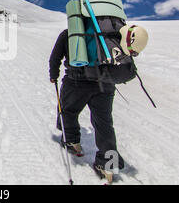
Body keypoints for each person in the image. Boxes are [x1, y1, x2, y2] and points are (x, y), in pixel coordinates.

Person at [49, 29, 125, 175]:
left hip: (76, 81)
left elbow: (55, 57)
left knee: (68, 111)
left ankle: (72, 142)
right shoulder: (108, 32)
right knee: (104, 123)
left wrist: (54, 74)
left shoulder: (69, 33)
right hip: (105, 84)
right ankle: (108, 165)